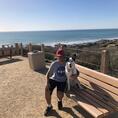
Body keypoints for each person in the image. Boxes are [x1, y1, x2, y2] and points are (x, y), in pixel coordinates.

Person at [44, 48, 67, 116]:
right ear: (57, 56)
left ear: (64, 56)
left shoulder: (68, 63)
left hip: (62, 81)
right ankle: (49, 106)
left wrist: (75, 75)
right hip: (53, 79)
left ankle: (59, 101)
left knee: (60, 95)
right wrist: (47, 83)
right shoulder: (54, 63)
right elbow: (48, 74)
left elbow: (76, 71)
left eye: (62, 56)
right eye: (59, 56)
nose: (60, 58)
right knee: (47, 90)